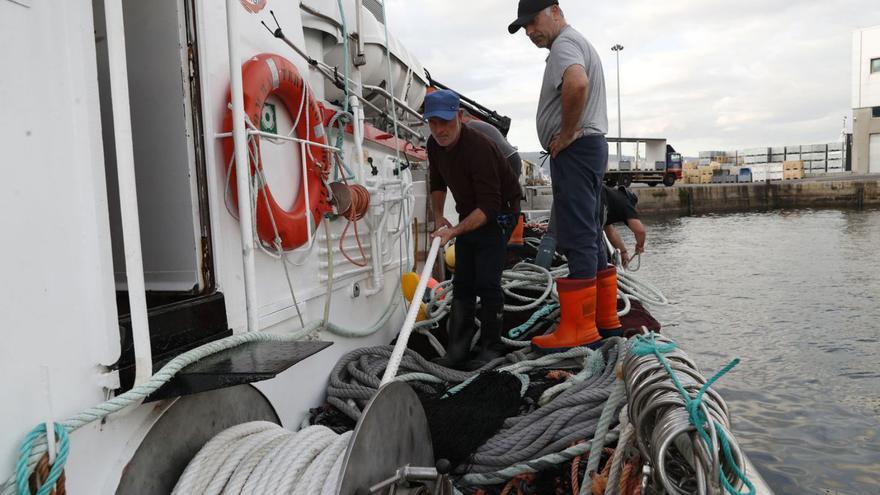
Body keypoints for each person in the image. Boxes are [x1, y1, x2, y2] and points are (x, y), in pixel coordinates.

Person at [509, 0, 620, 351]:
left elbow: (576, 83)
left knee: (577, 234)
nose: (529, 31)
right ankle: (605, 319)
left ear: (555, 10)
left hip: (577, 149)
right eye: (524, 26)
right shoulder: (578, 42)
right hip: (590, 148)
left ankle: (580, 328)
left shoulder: (564, 45)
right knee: (588, 228)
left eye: (532, 21)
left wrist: (568, 132)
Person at [426, 89, 522, 370]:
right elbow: (437, 181)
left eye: (445, 121)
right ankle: (457, 350)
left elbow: (491, 206)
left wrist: (454, 232)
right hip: (470, 210)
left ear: (459, 116)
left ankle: (491, 348)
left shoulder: (479, 148)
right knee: (463, 281)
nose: (440, 129)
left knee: (487, 281)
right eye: (433, 122)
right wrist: (438, 217)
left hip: (501, 211)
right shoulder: (434, 144)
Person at [603, 185, 646, 268]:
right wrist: (640, 246)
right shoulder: (626, 202)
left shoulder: (611, 197)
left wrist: (623, 252)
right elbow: (640, 231)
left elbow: (611, 233)